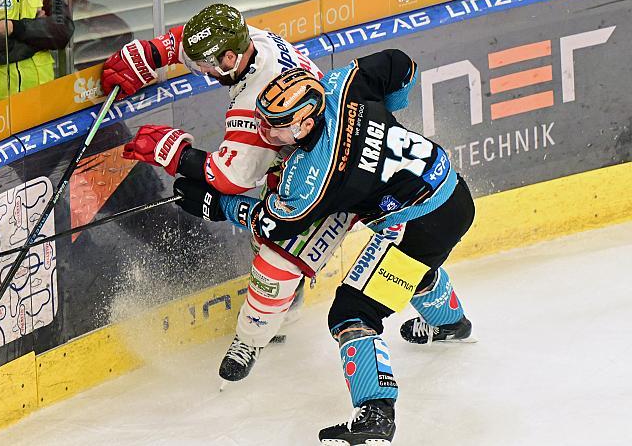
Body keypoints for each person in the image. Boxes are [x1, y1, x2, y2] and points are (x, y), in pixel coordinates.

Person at [172, 51, 475, 444]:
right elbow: (400, 65)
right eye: (264, 121)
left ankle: (376, 414)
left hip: (418, 224)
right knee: (405, 270)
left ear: (306, 122)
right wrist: (388, 122)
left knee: (353, 311)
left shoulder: (311, 178)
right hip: (453, 193)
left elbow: (271, 223)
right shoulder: (340, 86)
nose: (267, 135)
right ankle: (450, 322)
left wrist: (216, 204)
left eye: (277, 129)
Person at [101, 4, 351, 384]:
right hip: (324, 146)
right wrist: (156, 53)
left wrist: (173, 153)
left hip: (321, 181)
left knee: (275, 259)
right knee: (398, 242)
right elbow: (198, 44)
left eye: (206, 66)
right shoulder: (255, 42)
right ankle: (447, 315)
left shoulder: (256, 98)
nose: (200, 71)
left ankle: (251, 339)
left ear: (230, 57)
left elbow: (231, 179)